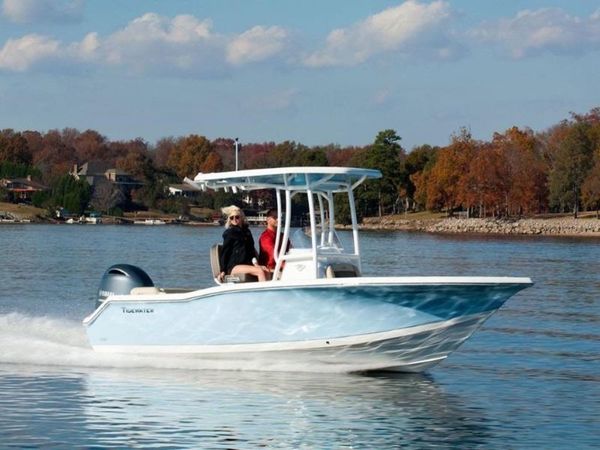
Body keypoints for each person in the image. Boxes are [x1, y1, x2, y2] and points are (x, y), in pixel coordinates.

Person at [218, 205, 269, 282]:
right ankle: (264, 290)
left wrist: (256, 264)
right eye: (232, 218)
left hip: (247, 264)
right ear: (230, 220)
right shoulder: (229, 233)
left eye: (237, 217)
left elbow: (251, 251)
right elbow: (225, 252)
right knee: (260, 271)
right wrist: (222, 270)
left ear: (241, 217)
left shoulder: (247, 232)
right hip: (234, 266)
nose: (234, 219)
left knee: (265, 270)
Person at [258, 208, 290, 273]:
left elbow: (291, 250)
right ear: (268, 220)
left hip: (281, 267)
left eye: (279, 217)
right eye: (275, 217)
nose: (278, 219)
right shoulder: (265, 237)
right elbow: (274, 256)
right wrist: (288, 267)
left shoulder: (282, 235)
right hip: (270, 269)